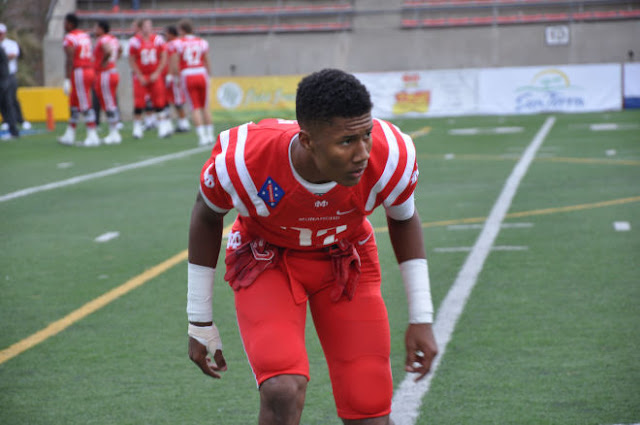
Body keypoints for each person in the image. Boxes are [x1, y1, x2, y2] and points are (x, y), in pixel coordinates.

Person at [186, 68, 438, 424]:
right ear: (307, 141)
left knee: (368, 407)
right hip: (266, 259)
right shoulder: (245, 160)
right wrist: (199, 319)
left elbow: (403, 218)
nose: (363, 153)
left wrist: (421, 317)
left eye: (366, 135)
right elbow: (207, 216)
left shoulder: (390, 155)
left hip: (345, 259)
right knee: (282, 389)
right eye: (347, 142)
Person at [58, 13, 100, 147]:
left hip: (80, 70)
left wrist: (66, 79)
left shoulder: (70, 37)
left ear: (70, 24)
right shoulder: (84, 35)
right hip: (89, 69)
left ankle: (92, 134)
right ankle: (70, 134)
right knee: (74, 103)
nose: (64, 25)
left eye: (65, 23)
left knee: (84, 103)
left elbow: (70, 59)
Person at [168, 19, 213, 146]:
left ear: (182, 30)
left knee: (195, 107)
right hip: (201, 72)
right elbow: (207, 60)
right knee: (205, 106)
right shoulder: (202, 42)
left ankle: (202, 136)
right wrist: (209, 75)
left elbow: (175, 63)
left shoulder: (177, 43)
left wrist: (176, 77)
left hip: (188, 74)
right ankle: (210, 135)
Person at [127, 18, 172, 139]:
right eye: (146, 26)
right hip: (141, 75)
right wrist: (139, 75)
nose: (148, 28)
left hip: (154, 75)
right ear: (141, 27)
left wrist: (157, 72)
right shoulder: (134, 41)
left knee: (159, 101)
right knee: (139, 102)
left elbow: (163, 57)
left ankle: (162, 126)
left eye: (149, 25)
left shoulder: (158, 40)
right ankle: (137, 128)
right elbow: (131, 60)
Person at [93, 19, 122, 144]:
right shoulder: (113, 39)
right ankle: (114, 131)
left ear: (101, 29)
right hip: (112, 72)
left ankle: (114, 132)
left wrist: (103, 62)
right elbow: (120, 49)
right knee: (110, 102)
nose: (94, 30)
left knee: (109, 103)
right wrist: (114, 60)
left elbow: (108, 50)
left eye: (96, 28)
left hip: (106, 73)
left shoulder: (103, 39)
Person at [0, 23, 30, 132]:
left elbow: (13, 55)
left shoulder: (10, 44)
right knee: (3, 100)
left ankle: (20, 120)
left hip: (9, 75)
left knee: (11, 99)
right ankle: (6, 121)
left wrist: (3, 56)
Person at [163, 25, 190, 133]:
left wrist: (173, 74)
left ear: (171, 33)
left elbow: (174, 60)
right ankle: (181, 122)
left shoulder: (172, 44)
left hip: (176, 75)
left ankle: (184, 123)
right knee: (175, 99)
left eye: (166, 33)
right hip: (182, 73)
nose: (165, 35)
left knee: (177, 100)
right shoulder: (181, 42)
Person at [0, 45, 19, 140]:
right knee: (7, 107)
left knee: (7, 107)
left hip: (2, 81)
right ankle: (13, 130)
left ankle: (13, 130)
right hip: (5, 80)